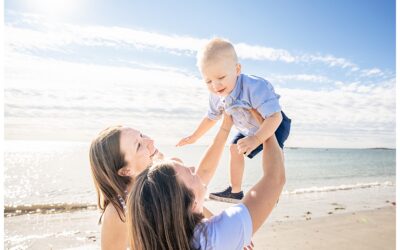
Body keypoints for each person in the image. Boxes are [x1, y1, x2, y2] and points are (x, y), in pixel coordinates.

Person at [127, 113, 286, 250]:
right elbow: (275, 178)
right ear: (193, 204)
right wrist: (264, 126)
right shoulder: (213, 237)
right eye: (190, 173)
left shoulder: (151, 237)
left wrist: (225, 126)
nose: (194, 168)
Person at [176, 38, 291, 203]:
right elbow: (211, 117)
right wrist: (194, 136)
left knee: (272, 150)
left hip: (273, 124)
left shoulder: (254, 86)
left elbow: (275, 116)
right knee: (234, 148)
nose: (215, 85)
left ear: (237, 69)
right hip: (248, 130)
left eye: (221, 77)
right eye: (208, 81)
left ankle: (274, 188)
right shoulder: (216, 95)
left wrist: (257, 138)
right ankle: (235, 191)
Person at [89, 124, 219, 249]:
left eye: (141, 134)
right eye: (139, 145)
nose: (150, 141)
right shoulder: (118, 212)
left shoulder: (170, 176)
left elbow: (213, 225)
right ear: (125, 171)